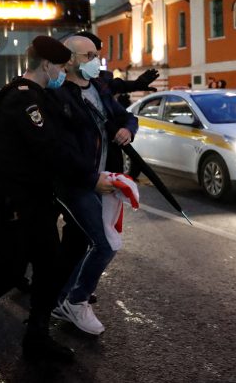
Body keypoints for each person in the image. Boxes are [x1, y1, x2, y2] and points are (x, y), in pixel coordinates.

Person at [0, 36, 100, 363]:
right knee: (9, 271)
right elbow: (50, 148)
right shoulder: (21, 98)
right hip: (11, 201)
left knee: (48, 266)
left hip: (39, 200)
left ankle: (37, 337)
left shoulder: (43, 95)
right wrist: (91, 176)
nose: (61, 72)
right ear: (46, 65)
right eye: (59, 66)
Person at [51, 35, 138, 336]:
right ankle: (76, 301)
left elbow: (124, 115)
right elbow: (61, 150)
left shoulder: (98, 89)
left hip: (105, 177)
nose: (95, 61)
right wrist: (91, 179)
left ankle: (63, 296)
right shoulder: (60, 95)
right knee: (105, 243)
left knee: (80, 242)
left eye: (96, 55)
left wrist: (128, 128)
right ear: (71, 59)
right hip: (79, 183)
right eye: (88, 55)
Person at [74, 31, 160, 95]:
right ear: (73, 57)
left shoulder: (100, 83)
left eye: (97, 57)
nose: (96, 62)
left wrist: (136, 84)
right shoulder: (64, 93)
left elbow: (115, 86)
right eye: (91, 56)